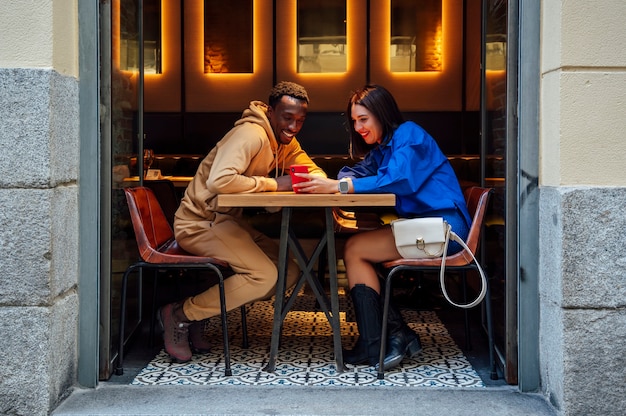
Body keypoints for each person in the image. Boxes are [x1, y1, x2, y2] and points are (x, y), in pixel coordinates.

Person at [293, 84, 471, 371]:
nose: (358, 127)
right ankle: (388, 337)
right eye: (354, 121)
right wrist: (343, 180)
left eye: (363, 119)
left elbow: (400, 180)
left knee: (355, 249)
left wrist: (338, 186)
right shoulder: (385, 147)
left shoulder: (408, 134)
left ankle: (381, 340)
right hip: (425, 228)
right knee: (356, 249)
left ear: (382, 113)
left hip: (446, 231)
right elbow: (355, 172)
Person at [159, 81, 327, 363]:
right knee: (263, 276)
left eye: (300, 120)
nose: (294, 126)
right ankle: (179, 315)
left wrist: (318, 180)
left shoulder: (283, 141)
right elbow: (220, 180)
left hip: (227, 223)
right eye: (288, 118)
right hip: (200, 222)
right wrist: (274, 184)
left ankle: (203, 310)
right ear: (271, 112)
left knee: (287, 271)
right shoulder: (251, 135)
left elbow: (312, 169)